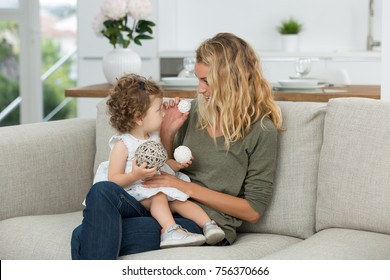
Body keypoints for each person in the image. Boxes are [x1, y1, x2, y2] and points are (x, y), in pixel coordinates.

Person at [71, 33, 283, 260]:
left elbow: (253, 211)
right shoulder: (192, 113)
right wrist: (167, 132)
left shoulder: (261, 130)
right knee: (102, 190)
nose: (200, 90)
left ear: (231, 80)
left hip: (203, 223)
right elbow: (164, 165)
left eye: (206, 81)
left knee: (82, 235)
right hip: (161, 206)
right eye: (198, 80)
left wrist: (186, 189)